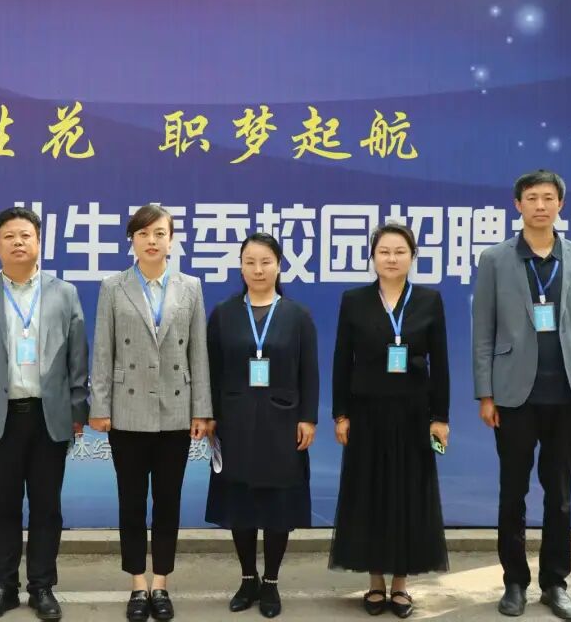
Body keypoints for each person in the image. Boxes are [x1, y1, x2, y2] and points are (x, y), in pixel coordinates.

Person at [472, 170, 571, 620]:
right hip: (513, 396)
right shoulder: (495, 259)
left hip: (566, 395)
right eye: (532, 198)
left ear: (560, 204)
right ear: (518, 205)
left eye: (549, 197)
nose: (541, 205)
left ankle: (555, 583)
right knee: (513, 492)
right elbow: (483, 331)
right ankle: (514, 582)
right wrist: (485, 393)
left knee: (559, 495)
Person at [0, 207, 89, 622]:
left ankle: (42, 587)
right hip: (1, 418)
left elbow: (77, 358)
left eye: (26, 235)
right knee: (3, 506)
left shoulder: (63, 293)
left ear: (39, 242)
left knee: (47, 506)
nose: (18, 242)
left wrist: (78, 410)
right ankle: (3, 586)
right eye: (9, 236)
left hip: (50, 417)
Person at [89, 204, 213, 622]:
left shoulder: (190, 287)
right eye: (143, 234)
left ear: (172, 240)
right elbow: (102, 350)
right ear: (133, 241)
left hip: (176, 410)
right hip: (126, 410)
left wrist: (202, 410)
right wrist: (99, 406)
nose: (152, 241)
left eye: (160, 233)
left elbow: (198, 352)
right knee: (130, 502)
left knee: (168, 502)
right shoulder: (113, 287)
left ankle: (161, 582)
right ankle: (137, 584)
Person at [328, 222, 450, 619]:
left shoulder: (429, 301)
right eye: (384, 252)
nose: (391, 259)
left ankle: (400, 584)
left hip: (414, 415)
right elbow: (342, 360)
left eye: (400, 252)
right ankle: (375, 582)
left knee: (407, 497)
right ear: (373, 258)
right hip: (366, 414)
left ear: (412, 257)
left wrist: (440, 417)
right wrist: (341, 413)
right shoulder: (354, 301)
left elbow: (441, 364)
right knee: (370, 495)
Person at [204, 233, 318, 619]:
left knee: (276, 506)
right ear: (240, 267)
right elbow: (211, 369)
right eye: (250, 262)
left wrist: (308, 417)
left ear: (279, 266)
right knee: (240, 504)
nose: (258, 269)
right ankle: (247, 578)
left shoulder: (297, 316)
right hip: (234, 423)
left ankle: (270, 582)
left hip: (283, 424)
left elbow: (309, 372)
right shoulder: (224, 314)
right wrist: (209, 414)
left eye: (266, 262)